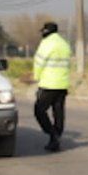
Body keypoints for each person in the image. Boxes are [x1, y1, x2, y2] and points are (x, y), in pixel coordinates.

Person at [33, 22, 71, 152]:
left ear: (46, 32)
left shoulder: (46, 43)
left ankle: (52, 134)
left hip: (49, 84)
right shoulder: (64, 44)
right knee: (58, 112)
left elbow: (39, 63)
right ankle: (55, 140)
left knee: (39, 110)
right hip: (62, 84)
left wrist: (37, 78)